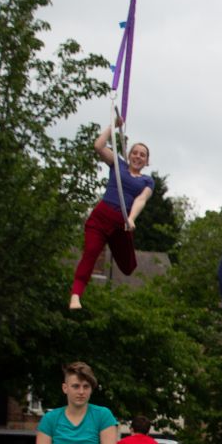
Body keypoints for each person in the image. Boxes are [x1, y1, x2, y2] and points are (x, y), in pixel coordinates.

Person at [69, 121, 154, 310]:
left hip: (121, 223)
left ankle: (78, 293)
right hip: (101, 217)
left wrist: (131, 218)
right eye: (135, 152)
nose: (138, 156)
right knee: (90, 253)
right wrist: (113, 126)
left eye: (142, 155)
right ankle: (75, 295)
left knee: (128, 267)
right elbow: (98, 146)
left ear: (147, 161)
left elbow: (141, 199)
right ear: (129, 155)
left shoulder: (147, 181)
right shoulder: (118, 165)